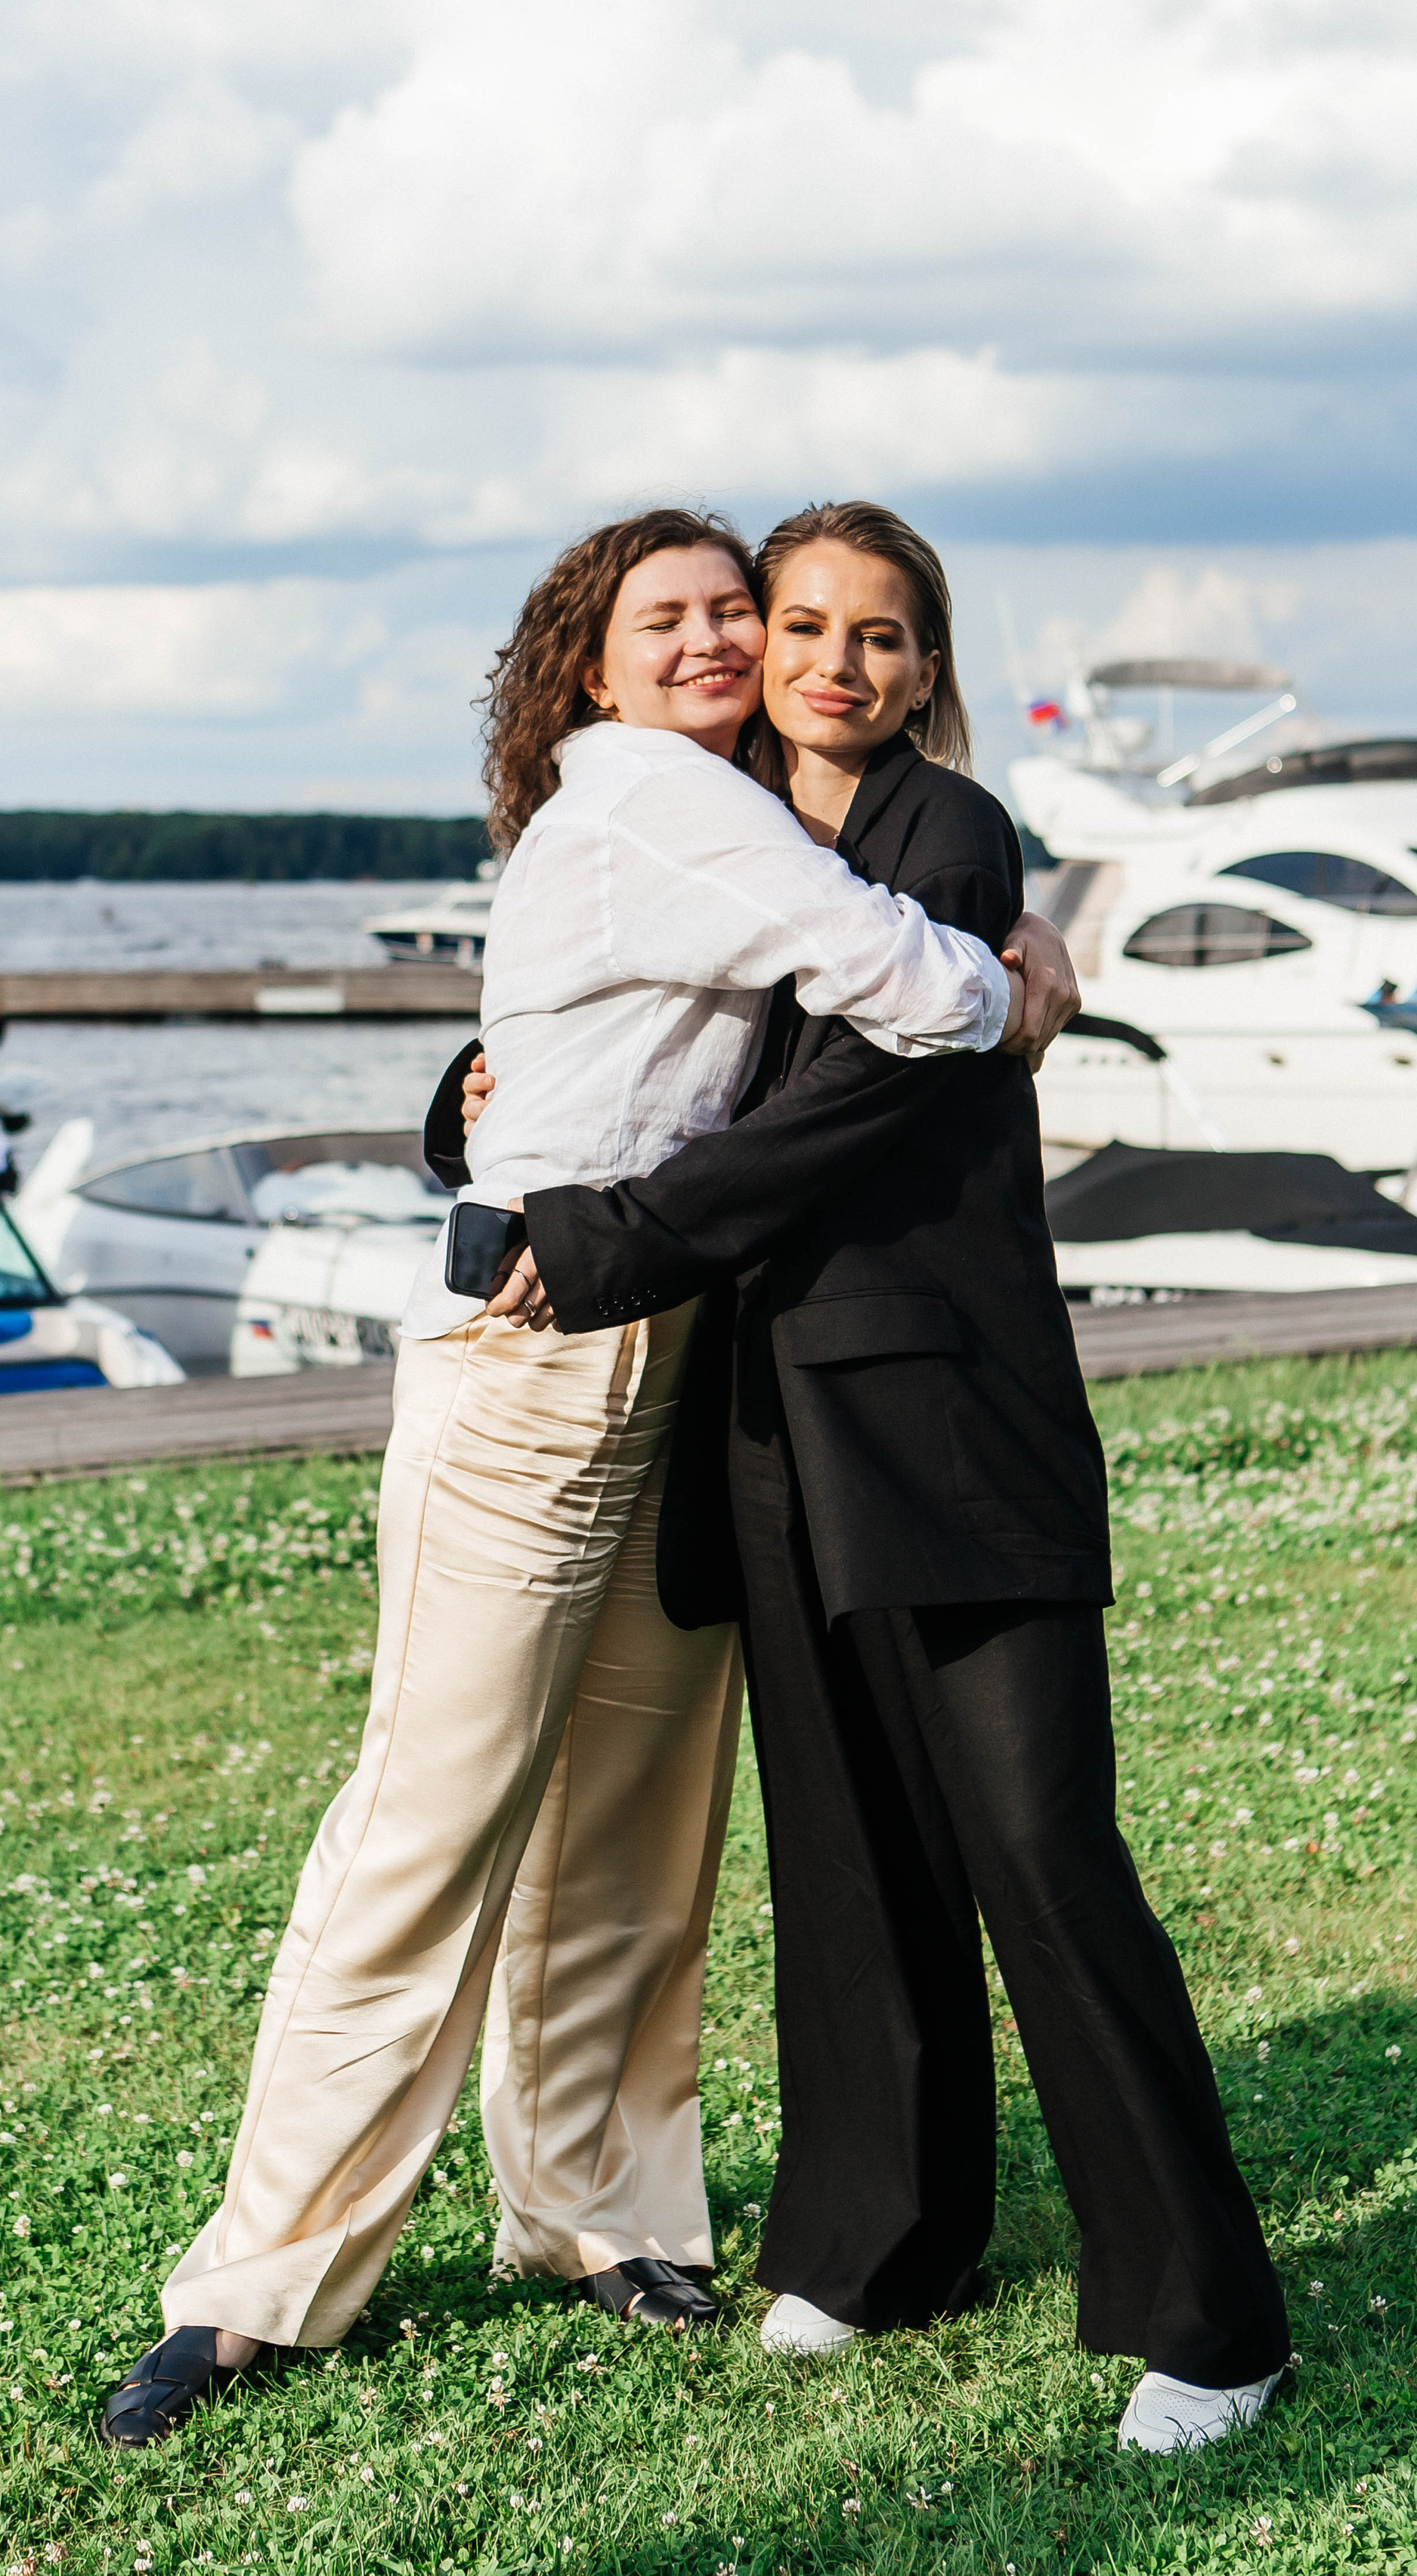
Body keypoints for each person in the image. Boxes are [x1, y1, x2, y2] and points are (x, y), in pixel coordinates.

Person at [100, 506, 1057, 2448]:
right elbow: (901, 978)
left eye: (735, 608)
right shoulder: (645, 789)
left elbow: (571, 1052)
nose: (715, 638)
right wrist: (1016, 983)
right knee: (424, 1824)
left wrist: (462, 1098)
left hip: (680, 1359)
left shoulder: (726, 811)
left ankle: (597, 2211)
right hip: (535, 1373)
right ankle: (263, 2277)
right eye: (672, 616)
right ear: (592, 668)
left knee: (635, 1820)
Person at [493, 503, 1292, 2456]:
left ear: (927, 667)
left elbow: (844, 1114)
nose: (834, 663)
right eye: (805, 626)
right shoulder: (722, 823)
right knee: (845, 1856)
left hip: (949, 1418)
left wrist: (617, 1238)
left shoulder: (952, 843)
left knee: (1038, 1842)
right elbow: (613, 1035)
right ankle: (880, 2240)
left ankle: (1214, 2318)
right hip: (773, 1430)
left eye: (880, 636)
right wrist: (476, 1104)